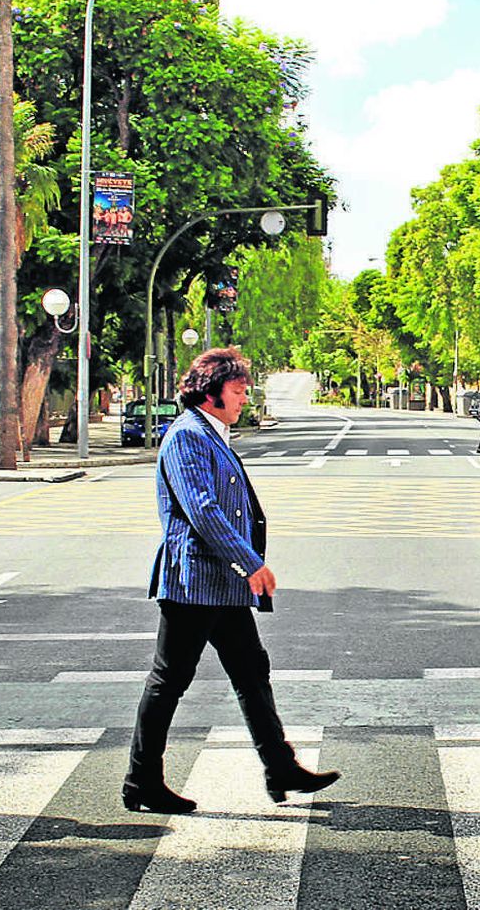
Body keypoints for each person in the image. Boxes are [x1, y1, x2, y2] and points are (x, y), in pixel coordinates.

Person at [124, 348, 339, 813]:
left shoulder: (212, 434)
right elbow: (203, 510)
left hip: (223, 585)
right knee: (170, 680)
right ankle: (142, 779)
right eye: (238, 391)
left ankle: (280, 767)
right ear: (211, 391)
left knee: (251, 672)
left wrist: (244, 567)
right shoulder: (187, 437)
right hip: (194, 582)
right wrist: (251, 563)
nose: (244, 398)